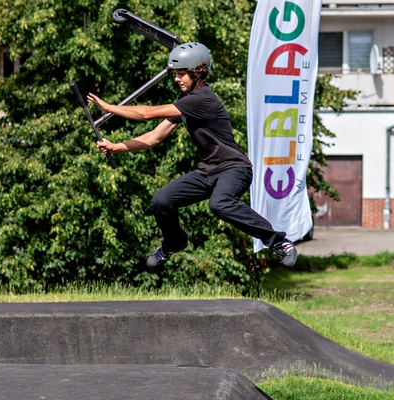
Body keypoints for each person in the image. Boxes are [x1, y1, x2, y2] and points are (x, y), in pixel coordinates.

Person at [86, 42, 297, 269]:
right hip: (208, 170)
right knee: (161, 201)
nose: (177, 79)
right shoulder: (186, 104)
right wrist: (117, 146)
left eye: (181, 74)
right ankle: (174, 242)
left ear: (197, 72)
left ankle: (279, 242)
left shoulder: (202, 99)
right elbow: (153, 137)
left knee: (219, 204)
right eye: (175, 74)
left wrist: (109, 108)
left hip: (234, 168)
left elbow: (146, 114)